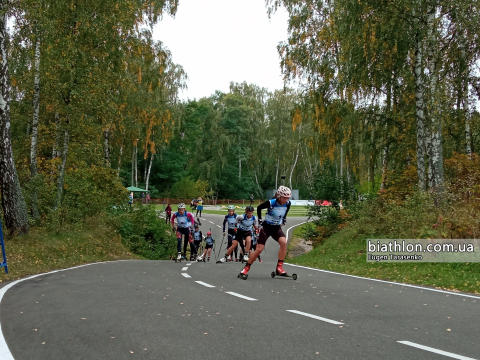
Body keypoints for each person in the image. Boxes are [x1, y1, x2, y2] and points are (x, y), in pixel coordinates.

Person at [239, 186, 292, 277]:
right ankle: (246, 268)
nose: (286, 200)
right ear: (279, 196)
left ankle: (279, 268)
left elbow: (286, 211)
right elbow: (259, 208)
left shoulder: (288, 204)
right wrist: (259, 219)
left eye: (288, 198)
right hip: (266, 227)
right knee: (259, 249)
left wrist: (284, 218)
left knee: (284, 242)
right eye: (285, 197)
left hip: (276, 227)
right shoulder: (272, 203)